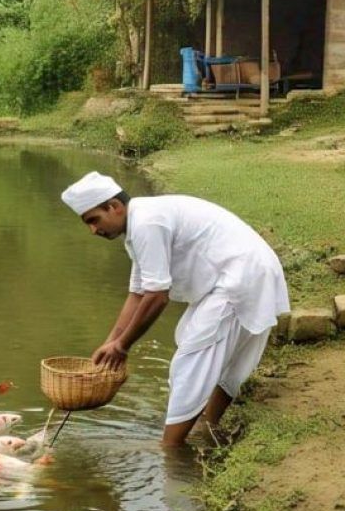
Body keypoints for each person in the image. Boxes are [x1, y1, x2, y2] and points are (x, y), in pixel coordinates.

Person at [61, 171, 290, 447]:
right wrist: (110, 343)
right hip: (242, 274)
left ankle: (169, 451)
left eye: (94, 220)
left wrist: (122, 346)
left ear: (114, 206)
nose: (93, 230)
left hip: (240, 277)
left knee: (192, 359)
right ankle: (207, 426)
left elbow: (157, 297)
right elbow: (138, 293)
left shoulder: (147, 222)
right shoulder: (139, 223)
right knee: (209, 352)